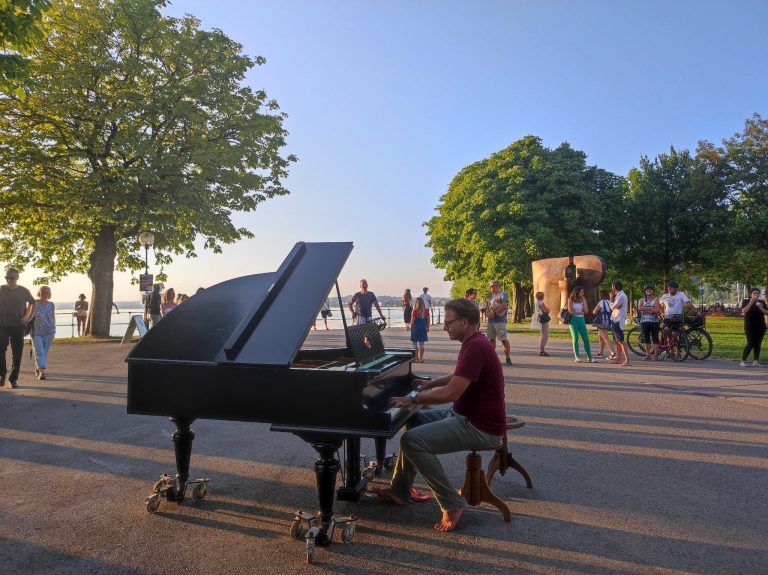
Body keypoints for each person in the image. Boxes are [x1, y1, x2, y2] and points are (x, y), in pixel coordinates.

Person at [371, 298, 506, 532]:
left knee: (412, 440)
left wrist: (412, 399)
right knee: (412, 419)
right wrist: (430, 383)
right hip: (464, 414)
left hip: (480, 426)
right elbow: (458, 377)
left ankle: (452, 503)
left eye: (449, 322)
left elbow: (451, 392)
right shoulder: (474, 341)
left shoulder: (475, 346)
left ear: (465, 322)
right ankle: (400, 490)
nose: (445, 327)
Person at [0, 268, 35, 388]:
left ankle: (13, 379)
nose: (9, 280)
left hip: (18, 326)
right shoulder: (1, 289)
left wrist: (28, 317)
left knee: (17, 353)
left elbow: (32, 303)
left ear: (17, 278)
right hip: (2, 325)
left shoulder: (23, 290)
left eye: (11, 278)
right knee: (0, 350)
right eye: (6, 277)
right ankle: (2, 374)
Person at [659, 280, 697, 358]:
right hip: (667, 317)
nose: (669, 289)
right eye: (668, 287)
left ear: (676, 288)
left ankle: (677, 352)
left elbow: (688, 303)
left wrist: (695, 311)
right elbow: (659, 304)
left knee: (674, 334)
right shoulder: (665, 296)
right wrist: (662, 312)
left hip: (677, 317)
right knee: (667, 333)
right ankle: (672, 352)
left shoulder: (681, 294)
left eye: (671, 287)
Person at [31, 286, 56, 380]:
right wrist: (26, 319)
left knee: (44, 352)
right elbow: (32, 314)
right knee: (40, 351)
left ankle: (38, 368)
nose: (45, 293)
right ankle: (42, 372)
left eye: (47, 292)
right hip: (36, 331)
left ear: (49, 293)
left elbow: (53, 317)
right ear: (39, 293)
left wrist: (54, 329)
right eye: (43, 291)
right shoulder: (35, 303)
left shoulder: (51, 304)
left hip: (49, 331)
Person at [486, 281, 512, 366]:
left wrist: (495, 313)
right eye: (490, 287)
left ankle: (508, 357)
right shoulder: (491, 296)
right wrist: (487, 313)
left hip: (500, 321)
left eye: (491, 286)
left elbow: (504, 306)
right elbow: (488, 308)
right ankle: (491, 358)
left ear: (496, 286)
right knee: (491, 339)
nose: (490, 288)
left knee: (503, 339)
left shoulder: (503, 295)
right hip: (491, 321)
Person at [740, 288, 768, 367]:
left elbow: (767, 313)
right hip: (750, 325)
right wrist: (751, 302)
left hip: (761, 326)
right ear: (751, 294)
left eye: (757, 293)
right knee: (750, 343)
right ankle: (743, 361)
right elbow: (744, 311)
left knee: (758, 343)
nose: (756, 295)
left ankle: (756, 361)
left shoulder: (761, 302)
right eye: (754, 293)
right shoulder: (746, 301)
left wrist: (760, 307)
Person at [567, 286, 595, 363]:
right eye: (581, 292)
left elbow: (586, 311)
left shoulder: (583, 299)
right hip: (573, 320)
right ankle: (577, 357)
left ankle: (589, 357)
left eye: (583, 292)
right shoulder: (571, 299)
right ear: (577, 292)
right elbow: (571, 311)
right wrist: (580, 312)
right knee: (575, 338)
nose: (582, 293)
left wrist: (584, 302)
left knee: (585, 338)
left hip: (581, 320)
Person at [637, 284, 662, 361]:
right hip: (644, 321)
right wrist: (652, 308)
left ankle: (656, 355)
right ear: (645, 291)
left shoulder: (656, 299)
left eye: (650, 289)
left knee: (655, 338)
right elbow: (640, 308)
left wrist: (646, 309)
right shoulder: (641, 300)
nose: (649, 291)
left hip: (654, 321)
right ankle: (647, 355)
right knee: (646, 339)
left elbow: (657, 309)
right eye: (647, 290)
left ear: (653, 291)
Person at [609, 280, 630, 366]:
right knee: (617, 341)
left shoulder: (621, 296)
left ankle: (627, 360)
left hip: (618, 320)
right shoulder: (619, 295)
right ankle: (619, 359)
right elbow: (615, 307)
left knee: (621, 340)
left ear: (614, 287)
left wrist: (611, 299)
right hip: (615, 319)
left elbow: (612, 307)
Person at [591, 289, 615, 359]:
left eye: (600, 294)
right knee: (600, 337)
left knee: (605, 338)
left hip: (601, 322)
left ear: (601, 295)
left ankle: (612, 352)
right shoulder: (609, 302)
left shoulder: (601, 302)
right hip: (608, 321)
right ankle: (600, 352)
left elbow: (594, 312)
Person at [530, 291, 551, 357]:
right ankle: (542, 350)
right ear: (542, 297)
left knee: (543, 334)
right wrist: (548, 309)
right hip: (543, 319)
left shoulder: (536, 302)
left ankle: (542, 349)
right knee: (545, 335)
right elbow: (546, 310)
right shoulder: (541, 302)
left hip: (539, 318)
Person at [410, 296, 429, 363]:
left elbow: (412, 321)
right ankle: (421, 359)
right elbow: (428, 320)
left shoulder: (414, 311)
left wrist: (410, 326)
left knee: (414, 345)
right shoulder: (426, 311)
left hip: (415, 329)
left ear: (416, 303)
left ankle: (416, 358)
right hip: (423, 329)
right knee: (422, 345)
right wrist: (427, 327)